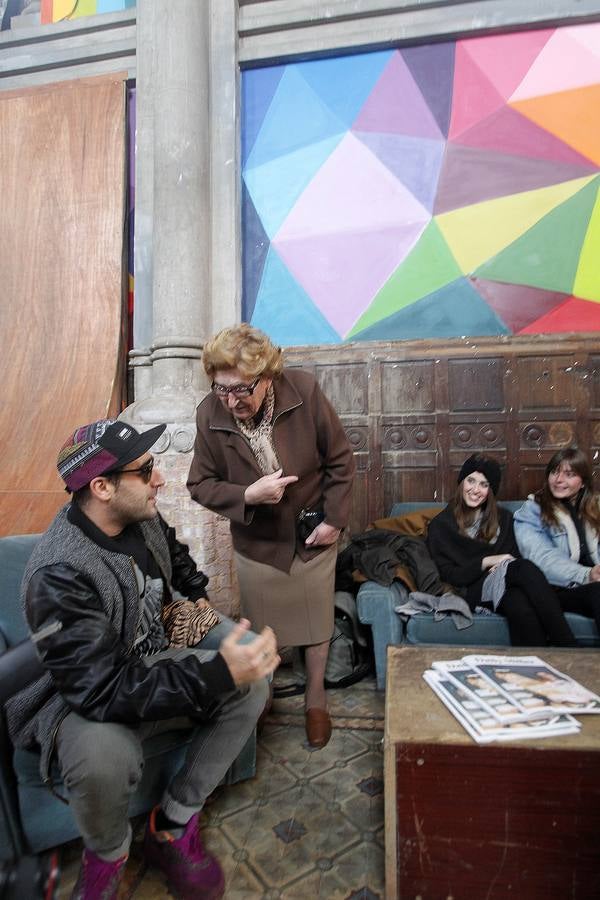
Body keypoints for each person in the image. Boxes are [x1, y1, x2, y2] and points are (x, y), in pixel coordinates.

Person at [5, 418, 278, 900]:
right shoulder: (61, 573)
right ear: (102, 487)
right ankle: (107, 857)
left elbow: (177, 558)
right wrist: (214, 671)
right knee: (104, 753)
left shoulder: (142, 517)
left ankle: (170, 824)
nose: (160, 478)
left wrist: (199, 604)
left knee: (250, 684)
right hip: (72, 698)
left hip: (139, 659)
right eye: (145, 469)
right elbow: (100, 689)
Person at [187, 324, 355, 749]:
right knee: (263, 628)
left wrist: (334, 520)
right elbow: (200, 484)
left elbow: (339, 460)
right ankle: (261, 700)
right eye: (222, 389)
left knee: (317, 624)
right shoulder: (210, 413)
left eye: (242, 389)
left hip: (310, 534)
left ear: (267, 376)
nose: (231, 400)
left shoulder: (304, 390)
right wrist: (247, 494)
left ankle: (315, 698)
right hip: (257, 545)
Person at [426, 454, 576, 647]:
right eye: (471, 481)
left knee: (519, 603)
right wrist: (487, 561)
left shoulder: (504, 518)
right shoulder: (441, 525)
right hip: (471, 591)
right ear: (462, 482)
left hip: (503, 585)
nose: (475, 490)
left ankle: (535, 668)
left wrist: (504, 565)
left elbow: (512, 559)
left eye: (484, 484)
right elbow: (448, 575)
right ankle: (567, 645)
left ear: (491, 490)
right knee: (523, 568)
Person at [514, 447, 600, 633]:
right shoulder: (532, 510)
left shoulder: (594, 510)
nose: (559, 480)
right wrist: (586, 575)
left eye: (569, 474)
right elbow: (541, 557)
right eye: (555, 472)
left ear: (583, 482)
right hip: (559, 590)